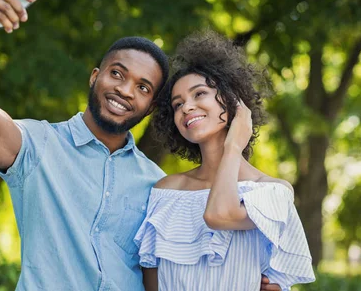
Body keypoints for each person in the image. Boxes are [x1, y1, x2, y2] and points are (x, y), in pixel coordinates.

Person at [0, 0, 283, 291]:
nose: (125, 90)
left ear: (152, 105)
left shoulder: (158, 185)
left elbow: (176, 272)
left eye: (142, 87)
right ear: (94, 77)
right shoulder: (38, 146)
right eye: (117, 74)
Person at [134, 30, 316, 291]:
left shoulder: (272, 191)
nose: (186, 107)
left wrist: (233, 146)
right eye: (177, 104)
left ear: (232, 102)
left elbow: (219, 214)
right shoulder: (165, 192)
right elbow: (150, 283)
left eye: (199, 94)